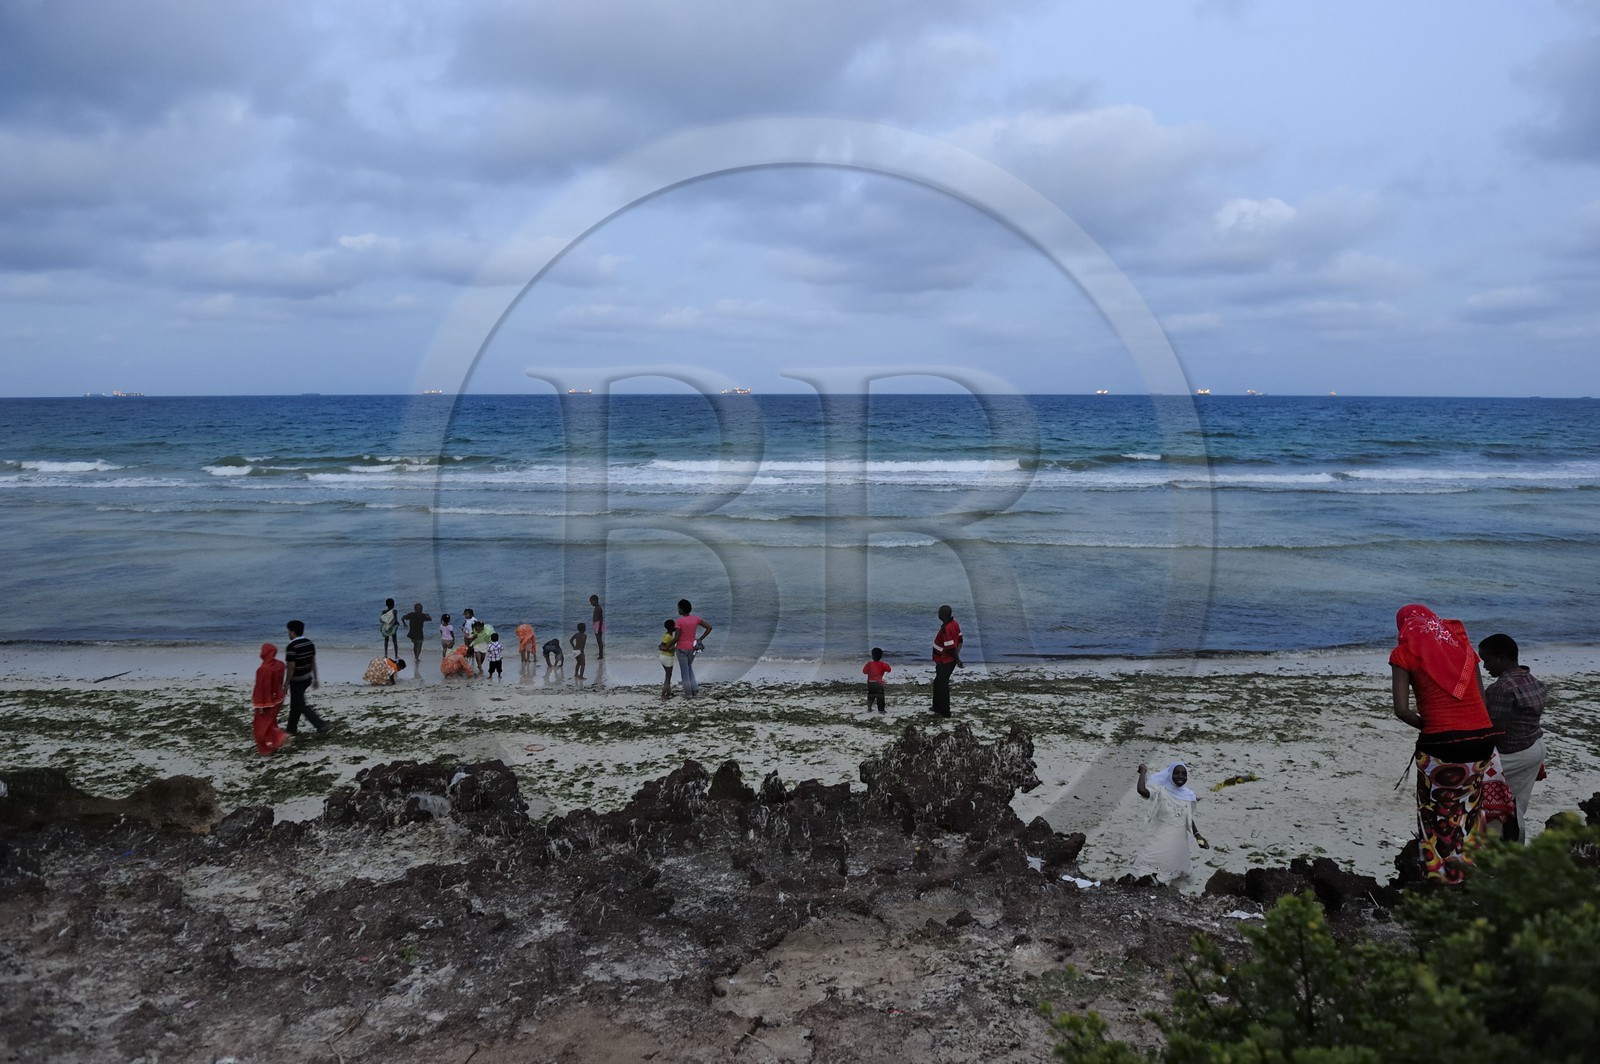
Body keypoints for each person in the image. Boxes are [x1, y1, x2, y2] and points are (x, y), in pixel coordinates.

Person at [1390, 603, 1498, 884]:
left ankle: (1440, 881)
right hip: (1483, 741)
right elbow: (1482, 703)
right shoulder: (1464, 649)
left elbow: (1401, 710)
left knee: (1434, 814)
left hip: (1442, 745)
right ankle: (1467, 872)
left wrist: (1429, 725)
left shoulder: (1403, 653)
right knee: (1469, 809)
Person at [1478, 633, 1549, 843]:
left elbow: (1494, 730)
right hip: (1535, 747)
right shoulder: (1532, 679)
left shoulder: (1501, 688)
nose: (1485, 667)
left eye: (1487, 660)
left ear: (1502, 658)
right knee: (1517, 805)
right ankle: (1513, 850)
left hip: (1514, 755)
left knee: (1495, 808)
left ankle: (1498, 855)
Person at [1133, 762, 1208, 883]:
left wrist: (1198, 835)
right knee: (1150, 876)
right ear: (1169, 775)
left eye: (1184, 774)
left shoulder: (1188, 795)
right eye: (1176, 773)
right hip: (1159, 844)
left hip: (1179, 846)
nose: (1180, 776)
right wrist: (1143, 772)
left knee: (1173, 882)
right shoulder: (1161, 791)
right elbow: (1141, 790)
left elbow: (1187, 817)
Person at [283, 620, 329, 736]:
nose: (288, 633)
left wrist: (286, 683)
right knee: (296, 704)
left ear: (293, 632)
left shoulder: (291, 647)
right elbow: (313, 662)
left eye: (288, 631)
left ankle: (320, 724)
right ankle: (291, 729)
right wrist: (315, 678)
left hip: (297, 680)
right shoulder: (309, 643)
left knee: (300, 705)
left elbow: (291, 667)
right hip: (307, 678)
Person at [251, 643, 292, 756]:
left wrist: (261, 705)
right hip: (278, 698)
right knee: (270, 723)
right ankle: (272, 745)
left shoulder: (263, 669)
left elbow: (262, 688)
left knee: (260, 727)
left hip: (267, 701)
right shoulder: (279, 665)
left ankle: (279, 739)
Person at [674, 599, 713, 699]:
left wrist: (668, 645)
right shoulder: (696, 619)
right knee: (689, 668)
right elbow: (709, 627)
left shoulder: (678, 621)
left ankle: (688, 694)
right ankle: (694, 689)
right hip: (692, 648)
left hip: (681, 649)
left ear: (682, 609)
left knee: (684, 672)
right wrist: (700, 639)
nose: (678, 610)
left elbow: (677, 638)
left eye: (679, 608)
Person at [930, 604, 963, 717]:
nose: (938, 614)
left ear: (943, 615)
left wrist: (957, 659)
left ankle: (945, 712)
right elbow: (960, 640)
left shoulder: (946, 629)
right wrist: (957, 656)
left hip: (946, 661)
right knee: (938, 683)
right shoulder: (955, 623)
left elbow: (950, 648)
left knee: (942, 685)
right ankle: (936, 706)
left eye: (939, 612)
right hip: (942, 660)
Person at [401, 602, 431, 667]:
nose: (421, 610)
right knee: (419, 646)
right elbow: (430, 619)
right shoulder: (422, 615)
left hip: (413, 633)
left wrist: (404, 623)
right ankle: (417, 657)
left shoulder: (411, 614)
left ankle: (416, 657)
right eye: (421, 609)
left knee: (415, 645)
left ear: (414, 609)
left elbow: (403, 617)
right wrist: (428, 615)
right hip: (419, 634)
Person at [863, 647, 890, 713]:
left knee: (871, 696)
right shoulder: (882, 664)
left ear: (872, 656)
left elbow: (864, 671)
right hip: (879, 683)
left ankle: (869, 708)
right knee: (880, 697)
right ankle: (881, 710)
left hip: (870, 683)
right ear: (881, 656)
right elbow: (889, 669)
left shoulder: (869, 664)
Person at [657, 620, 678, 700]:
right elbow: (661, 646)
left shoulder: (669, 635)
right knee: (668, 677)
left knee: (668, 675)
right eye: (674, 625)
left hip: (664, 657)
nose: (676, 627)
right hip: (667, 657)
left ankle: (668, 692)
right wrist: (671, 650)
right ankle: (663, 694)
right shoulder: (668, 636)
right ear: (672, 627)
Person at [590, 595, 606, 659]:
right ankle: (600, 653)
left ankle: (601, 655)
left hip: (598, 625)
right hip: (597, 624)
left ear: (595, 601)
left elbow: (601, 618)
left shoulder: (598, 608)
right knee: (599, 640)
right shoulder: (596, 607)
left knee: (599, 640)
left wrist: (599, 628)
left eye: (591, 602)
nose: (591, 603)